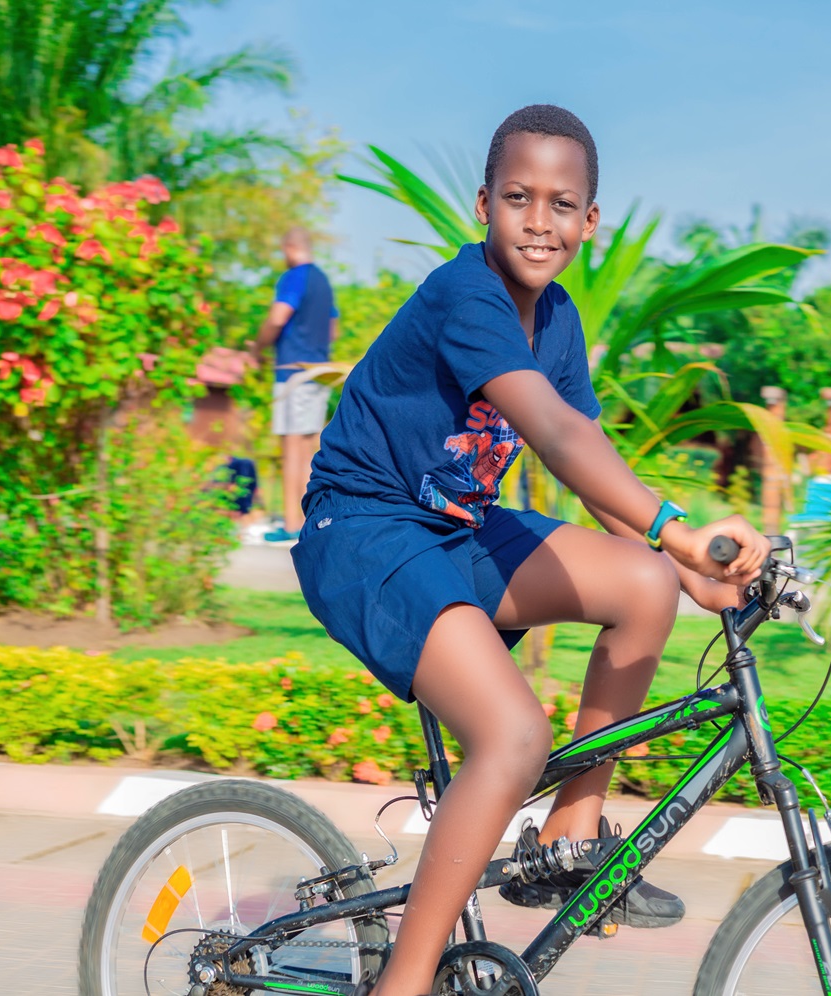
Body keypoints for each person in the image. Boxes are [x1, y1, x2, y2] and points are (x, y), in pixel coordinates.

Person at [291, 105, 769, 996]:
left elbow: (596, 467)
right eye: (518, 197)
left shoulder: (559, 322)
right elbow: (549, 429)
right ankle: (405, 982)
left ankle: (567, 836)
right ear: (484, 204)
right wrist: (679, 527)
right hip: (363, 527)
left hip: (455, 528)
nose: (538, 221)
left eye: (561, 204)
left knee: (643, 586)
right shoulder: (465, 294)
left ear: (591, 220)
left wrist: (687, 566)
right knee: (512, 738)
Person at [251, 226, 339, 543]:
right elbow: (333, 331)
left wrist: (257, 349)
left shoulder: (295, 277)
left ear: (289, 248)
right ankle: (311, 522)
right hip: (317, 372)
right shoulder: (323, 282)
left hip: (292, 373)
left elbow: (277, 317)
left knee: (291, 450)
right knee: (309, 449)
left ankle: (292, 524)